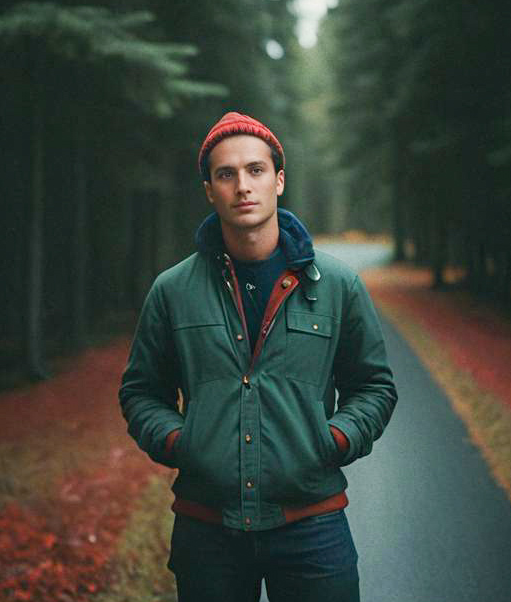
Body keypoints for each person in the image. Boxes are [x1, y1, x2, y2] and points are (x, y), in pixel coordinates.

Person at [119, 111, 398, 602]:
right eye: (226, 174)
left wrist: (334, 439)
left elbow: (374, 387)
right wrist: (181, 442)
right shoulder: (173, 291)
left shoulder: (336, 286)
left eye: (255, 170)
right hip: (208, 532)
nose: (242, 186)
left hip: (313, 526)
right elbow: (141, 392)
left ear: (279, 180)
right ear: (209, 189)